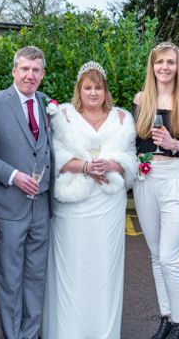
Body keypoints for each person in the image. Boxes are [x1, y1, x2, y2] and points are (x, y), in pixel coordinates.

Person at [42, 61, 138, 338]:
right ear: (79, 90)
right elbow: (54, 156)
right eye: (88, 87)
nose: (93, 93)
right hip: (72, 204)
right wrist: (84, 167)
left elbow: (130, 159)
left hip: (108, 203)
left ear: (105, 90)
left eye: (98, 87)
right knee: (71, 269)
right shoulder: (63, 115)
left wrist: (111, 164)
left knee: (104, 269)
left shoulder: (122, 118)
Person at [132, 42, 179, 339]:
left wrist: (176, 146)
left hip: (176, 180)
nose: (164, 67)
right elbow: (134, 142)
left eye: (170, 62)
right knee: (154, 256)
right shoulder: (142, 99)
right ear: (152, 66)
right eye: (159, 62)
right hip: (145, 180)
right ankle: (166, 318)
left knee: (168, 257)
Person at [0, 46, 55, 339]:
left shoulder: (49, 105)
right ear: (14, 70)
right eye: (25, 69)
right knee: (10, 279)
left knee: (37, 277)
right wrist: (12, 176)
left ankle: (30, 333)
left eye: (36, 70)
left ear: (43, 74)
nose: (30, 75)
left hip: (42, 207)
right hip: (9, 207)